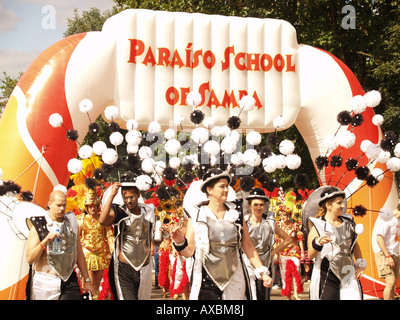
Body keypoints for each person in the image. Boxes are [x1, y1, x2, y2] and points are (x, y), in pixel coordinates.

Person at [171, 168, 273, 300]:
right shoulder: (197, 214)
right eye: (222, 186)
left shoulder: (236, 213)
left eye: (227, 186)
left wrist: (262, 271)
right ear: (209, 189)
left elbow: (248, 246)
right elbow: (189, 252)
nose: (226, 189)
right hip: (206, 279)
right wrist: (180, 242)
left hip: (235, 277)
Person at [26, 190, 95, 300]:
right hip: (45, 281)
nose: (62, 209)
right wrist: (44, 242)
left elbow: (79, 253)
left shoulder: (71, 223)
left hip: (68, 279)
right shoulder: (39, 225)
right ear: (49, 204)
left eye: (64, 205)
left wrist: (87, 280)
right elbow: (30, 258)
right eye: (58, 205)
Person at [99, 181, 158, 300]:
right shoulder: (119, 211)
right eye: (125, 198)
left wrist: (163, 235)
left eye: (132, 197)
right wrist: (111, 195)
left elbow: (154, 241)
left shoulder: (148, 211)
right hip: (124, 269)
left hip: (144, 268)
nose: (129, 201)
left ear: (138, 194)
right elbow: (102, 221)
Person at [307, 187, 366, 300]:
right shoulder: (318, 226)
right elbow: (310, 255)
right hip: (327, 275)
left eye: (342, 202)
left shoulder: (349, 224)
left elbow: (354, 245)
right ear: (328, 205)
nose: (343, 206)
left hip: (348, 273)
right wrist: (318, 243)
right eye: (339, 203)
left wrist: (360, 265)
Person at [244, 188, 291, 300]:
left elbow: (288, 239)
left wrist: (273, 252)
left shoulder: (269, 223)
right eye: (255, 204)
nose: (258, 208)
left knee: (263, 296)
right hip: (247, 264)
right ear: (250, 206)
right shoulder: (244, 223)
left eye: (261, 204)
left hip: (266, 263)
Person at [77, 188, 114, 300]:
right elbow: (77, 239)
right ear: (87, 207)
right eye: (90, 206)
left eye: (95, 206)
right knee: (88, 282)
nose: (93, 208)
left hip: (100, 254)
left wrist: (112, 248)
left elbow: (109, 235)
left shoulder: (102, 219)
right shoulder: (81, 220)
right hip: (86, 254)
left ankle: (96, 298)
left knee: (97, 283)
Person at [276, 200, 305, 300]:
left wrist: (302, 252)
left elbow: (300, 240)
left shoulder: (295, 226)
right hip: (283, 252)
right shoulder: (278, 226)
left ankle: (296, 293)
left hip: (294, 250)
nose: (282, 217)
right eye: (280, 215)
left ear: (288, 215)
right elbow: (277, 240)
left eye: (283, 215)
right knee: (285, 273)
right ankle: (288, 294)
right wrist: (275, 254)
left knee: (296, 270)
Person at [373, 203, 400, 300]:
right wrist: (387, 256)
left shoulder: (398, 220)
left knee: (393, 285)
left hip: (395, 254)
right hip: (384, 253)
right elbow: (379, 238)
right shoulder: (388, 218)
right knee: (391, 282)